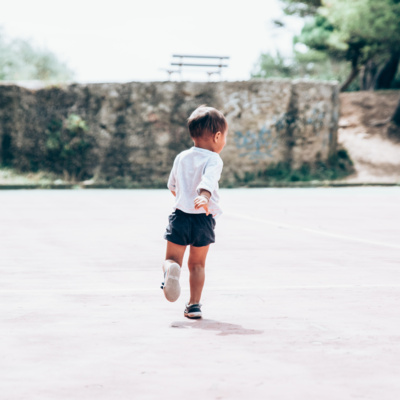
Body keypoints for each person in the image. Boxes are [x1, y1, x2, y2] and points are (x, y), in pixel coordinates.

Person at [161, 105, 228, 319]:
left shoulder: (181, 157)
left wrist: (186, 200)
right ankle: (194, 305)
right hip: (203, 220)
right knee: (197, 264)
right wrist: (204, 197)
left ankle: (171, 270)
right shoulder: (214, 159)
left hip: (181, 216)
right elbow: (209, 180)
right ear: (218, 136)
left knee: (172, 259)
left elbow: (172, 186)